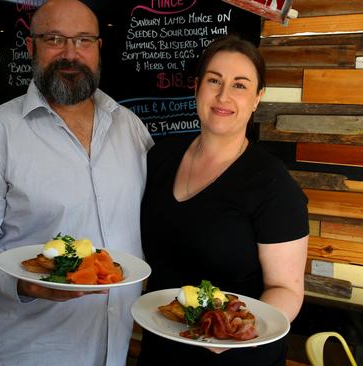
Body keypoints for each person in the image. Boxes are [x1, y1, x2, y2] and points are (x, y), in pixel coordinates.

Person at [0, 0, 153, 364]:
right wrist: (20, 282)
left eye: (84, 40)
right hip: (28, 348)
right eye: (55, 38)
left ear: (99, 48)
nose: (71, 53)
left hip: (114, 346)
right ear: (31, 47)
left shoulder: (130, 128)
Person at [137, 34, 309, 366]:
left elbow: (287, 290)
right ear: (197, 87)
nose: (223, 95)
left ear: (258, 98)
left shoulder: (273, 184)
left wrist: (234, 333)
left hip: (234, 356)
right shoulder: (159, 159)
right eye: (214, 80)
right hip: (161, 347)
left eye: (240, 85)